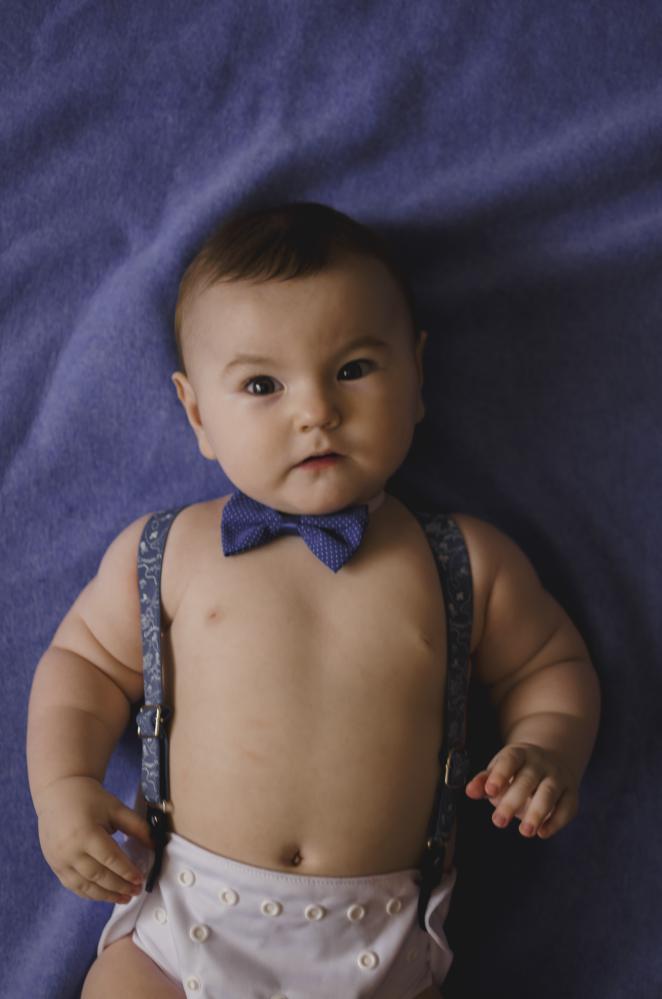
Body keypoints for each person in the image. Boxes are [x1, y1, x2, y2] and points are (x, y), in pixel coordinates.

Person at [26, 201, 601, 998]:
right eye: (263, 384)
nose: (316, 411)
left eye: (354, 369)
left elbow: (550, 664)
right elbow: (82, 665)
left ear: (416, 376)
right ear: (198, 413)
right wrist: (64, 789)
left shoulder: (463, 560)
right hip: (184, 924)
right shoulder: (169, 551)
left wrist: (549, 747)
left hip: (380, 938)